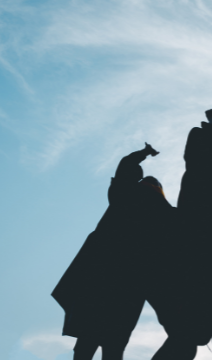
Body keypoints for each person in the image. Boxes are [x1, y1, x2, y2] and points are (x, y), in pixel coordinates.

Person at [148, 109, 212, 360]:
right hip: (200, 270)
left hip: (209, 269)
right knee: (187, 337)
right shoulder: (200, 181)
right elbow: (201, 229)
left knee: (188, 338)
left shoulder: (208, 181)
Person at [52, 143, 165, 360]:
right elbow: (193, 236)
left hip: (103, 277)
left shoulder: (126, 197)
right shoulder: (162, 214)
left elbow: (126, 167)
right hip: (128, 283)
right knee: (112, 343)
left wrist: (143, 153)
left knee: (89, 338)